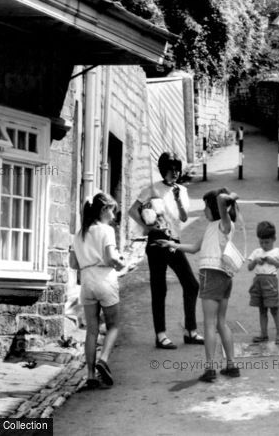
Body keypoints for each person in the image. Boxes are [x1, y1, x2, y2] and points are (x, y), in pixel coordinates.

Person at [159, 188, 239, 382]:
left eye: (205, 206)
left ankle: (210, 368)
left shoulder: (225, 224)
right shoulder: (213, 227)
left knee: (210, 324)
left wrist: (230, 198)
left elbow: (221, 199)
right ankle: (231, 365)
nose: (203, 210)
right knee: (220, 322)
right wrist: (173, 244)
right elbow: (195, 248)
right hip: (224, 277)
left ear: (216, 208)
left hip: (212, 276)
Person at [128, 152, 203, 350]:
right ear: (163, 170)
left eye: (177, 169)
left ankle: (189, 331)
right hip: (157, 241)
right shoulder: (152, 189)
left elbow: (184, 218)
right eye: (171, 169)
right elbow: (132, 210)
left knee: (191, 285)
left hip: (174, 241)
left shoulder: (182, 191)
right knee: (160, 288)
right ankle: (162, 335)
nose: (175, 173)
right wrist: (148, 227)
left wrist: (178, 199)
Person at [74, 193, 125, 389]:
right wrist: (120, 263)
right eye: (112, 211)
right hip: (105, 279)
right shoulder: (106, 230)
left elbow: (72, 263)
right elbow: (111, 257)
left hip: (87, 281)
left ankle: (90, 375)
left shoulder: (80, 234)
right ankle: (103, 360)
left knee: (91, 331)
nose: (113, 216)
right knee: (113, 325)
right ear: (104, 210)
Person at [247, 221, 279, 345]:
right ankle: (264, 334)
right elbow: (249, 267)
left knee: (274, 309)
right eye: (261, 242)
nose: (264, 245)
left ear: (274, 239)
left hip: (270, 282)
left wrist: (274, 262)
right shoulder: (256, 252)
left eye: (267, 242)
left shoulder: (277, 252)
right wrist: (255, 261)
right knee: (262, 309)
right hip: (258, 282)